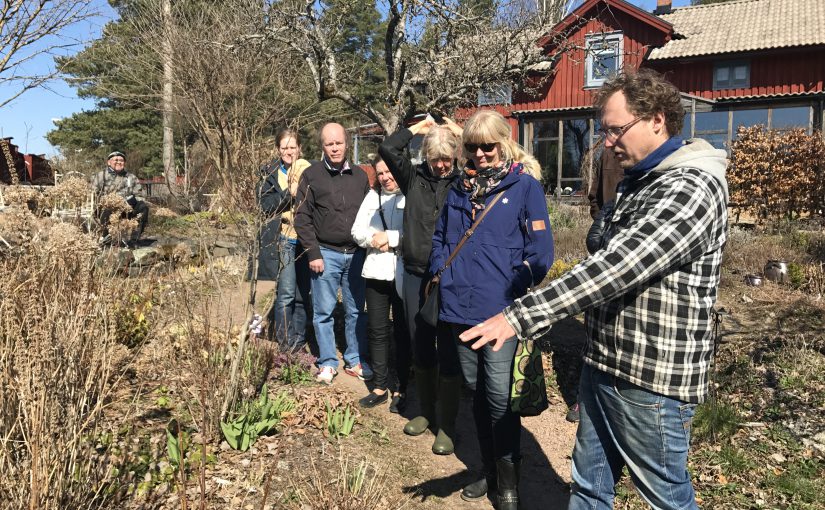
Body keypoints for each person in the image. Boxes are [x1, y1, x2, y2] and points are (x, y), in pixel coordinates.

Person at [459, 69, 729, 510]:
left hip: (651, 379)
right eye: (604, 130)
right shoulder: (639, 180)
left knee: (666, 498)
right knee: (588, 486)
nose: (607, 141)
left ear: (657, 119)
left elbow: (616, 268)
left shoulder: (691, 187)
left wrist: (518, 315)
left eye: (616, 129)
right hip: (603, 362)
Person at [429, 110, 553, 509]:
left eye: (488, 146)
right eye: (473, 147)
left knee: (499, 397)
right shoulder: (458, 190)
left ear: (504, 143)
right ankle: (487, 469)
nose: (480, 154)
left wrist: (515, 287)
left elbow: (542, 253)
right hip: (459, 310)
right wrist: (441, 273)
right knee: (477, 393)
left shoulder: (524, 187)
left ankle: (509, 481)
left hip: (500, 314)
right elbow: (441, 240)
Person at [378, 117, 464, 454]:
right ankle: (427, 413)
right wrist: (419, 127)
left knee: (449, 347)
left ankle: (448, 425)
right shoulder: (412, 178)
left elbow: (504, 155)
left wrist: (458, 132)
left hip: (449, 278)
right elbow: (388, 147)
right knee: (420, 345)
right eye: (435, 159)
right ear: (425, 157)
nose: (442, 166)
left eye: (447, 159)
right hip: (415, 274)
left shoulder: (462, 181)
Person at [294, 122, 371, 385]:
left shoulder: (361, 177)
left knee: (355, 311)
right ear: (322, 146)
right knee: (323, 311)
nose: (335, 148)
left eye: (338, 143)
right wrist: (313, 253)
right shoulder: (312, 176)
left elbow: (370, 214)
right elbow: (302, 217)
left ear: (347, 143)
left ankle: (354, 359)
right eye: (329, 144)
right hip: (325, 253)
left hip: (357, 254)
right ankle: (327, 362)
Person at [351, 154, 410, 411]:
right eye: (381, 173)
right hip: (375, 271)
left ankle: (401, 387)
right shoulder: (372, 197)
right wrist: (374, 239)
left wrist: (392, 238)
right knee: (377, 330)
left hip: (402, 273)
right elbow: (357, 230)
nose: (385, 177)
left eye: (389, 172)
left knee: (402, 332)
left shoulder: (411, 195)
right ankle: (379, 385)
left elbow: (418, 232)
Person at [258, 129, 313, 351]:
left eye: (292, 147)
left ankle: (298, 342)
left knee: (302, 293)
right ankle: (284, 343)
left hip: (307, 240)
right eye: (284, 148)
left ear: (299, 148)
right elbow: (264, 207)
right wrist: (288, 194)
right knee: (287, 293)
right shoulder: (270, 174)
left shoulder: (310, 171)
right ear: (278, 150)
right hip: (284, 239)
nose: (289, 151)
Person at [92, 151, 149, 247]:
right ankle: (107, 239)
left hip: (127, 208)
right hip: (107, 208)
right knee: (106, 210)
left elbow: (140, 194)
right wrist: (107, 200)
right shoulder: (101, 176)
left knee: (143, 208)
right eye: (116, 160)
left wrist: (134, 200)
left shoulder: (131, 177)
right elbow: (93, 194)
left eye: (121, 160)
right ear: (109, 162)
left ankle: (134, 240)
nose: (119, 162)